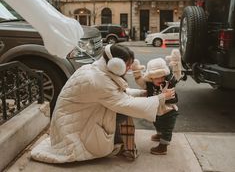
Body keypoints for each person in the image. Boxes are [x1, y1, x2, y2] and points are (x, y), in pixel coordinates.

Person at [31, 44, 175, 164]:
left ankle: (118, 142)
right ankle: (118, 143)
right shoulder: (97, 80)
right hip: (73, 129)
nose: (130, 68)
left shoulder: (97, 69)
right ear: (116, 64)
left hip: (74, 119)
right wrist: (161, 98)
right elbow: (124, 103)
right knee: (124, 112)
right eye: (128, 64)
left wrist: (140, 93)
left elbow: (115, 93)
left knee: (121, 111)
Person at [132, 49, 182, 155]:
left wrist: (177, 62)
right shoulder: (149, 84)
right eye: (156, 77)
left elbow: (177, 74)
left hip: (169, 110)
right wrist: (136, 71)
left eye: (162, 76)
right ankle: (159, 134)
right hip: (156, 109)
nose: (160, 79)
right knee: (157, 123)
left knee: (167, 128)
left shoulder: (169, 82)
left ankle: (163, 146)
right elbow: (140, 81)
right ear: (150, 77)